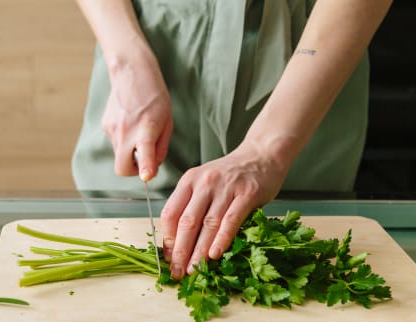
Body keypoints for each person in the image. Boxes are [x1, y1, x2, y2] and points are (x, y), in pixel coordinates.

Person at [72, 0, 392, 280]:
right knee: (126, 265)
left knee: (297, 259)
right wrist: (126, 62)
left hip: (309, 57)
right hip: (144, 41)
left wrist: (266, 151)